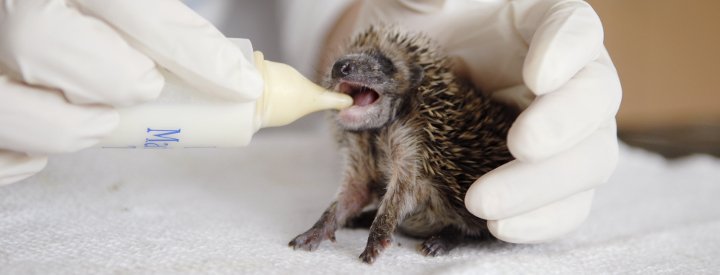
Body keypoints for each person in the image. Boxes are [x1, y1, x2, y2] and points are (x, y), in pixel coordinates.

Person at [0, 0, 621, 244]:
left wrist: (349, 12)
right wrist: (335, 226)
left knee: (453, 200)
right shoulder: (363, 128)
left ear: (401, 92)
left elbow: (396, 183)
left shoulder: (409, 127)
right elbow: (359, 187)